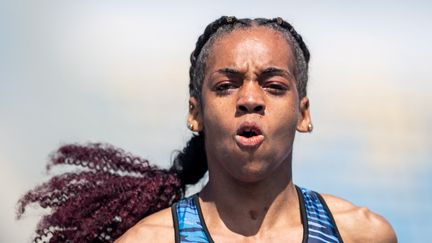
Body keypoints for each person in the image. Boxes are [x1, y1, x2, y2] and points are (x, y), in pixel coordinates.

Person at [17, 16, 397, 243]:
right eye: (226, 85)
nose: (250, 99)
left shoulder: (362, 235)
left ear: (303, 113)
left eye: (274, 85)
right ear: (195, 113)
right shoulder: (150, 241)